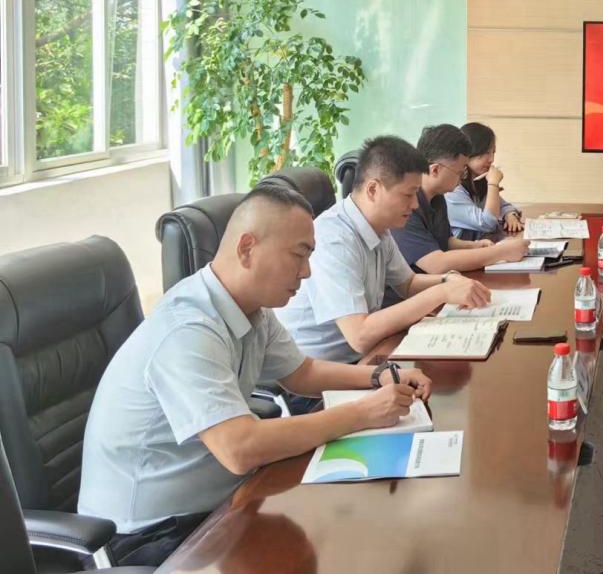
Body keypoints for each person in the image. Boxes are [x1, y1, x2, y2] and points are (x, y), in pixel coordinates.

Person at [78, 183, 431, 567]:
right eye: (299, 254)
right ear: (247, 248)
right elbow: (240, 448)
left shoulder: (251, 310)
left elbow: (303, 372)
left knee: (356, 526)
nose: (307, 271)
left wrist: (379, 376)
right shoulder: (187, 330)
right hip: (154, 534)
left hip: (222, 501)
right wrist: (362, 413)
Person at [276, 135, 491, 373]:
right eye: (408, 195)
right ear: (373, 189)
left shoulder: (379, 227)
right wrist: (442, 292)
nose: (415, 205)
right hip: (318, 373)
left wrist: (448, 281)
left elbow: (408, 284)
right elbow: (359, 335)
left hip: (363, 357)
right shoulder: (334, 239)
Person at [394, 123, 528, 272]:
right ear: (435, 170)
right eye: (460, 172)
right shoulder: (405, 205)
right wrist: (501, 252)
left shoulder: (437, 197)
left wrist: (475, 246)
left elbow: (446, 241)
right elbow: (436, 264)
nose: (463, 177)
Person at [446, 121, 524, 239]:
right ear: (469, 152)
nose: (491, 159)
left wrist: (509, 214)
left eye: (493, 152)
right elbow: (487, 223)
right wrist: (493, 183)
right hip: (464, 249)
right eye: (486, 152)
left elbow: (504, 205)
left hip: (482, 244)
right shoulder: (452, 190)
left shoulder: (478, 181)